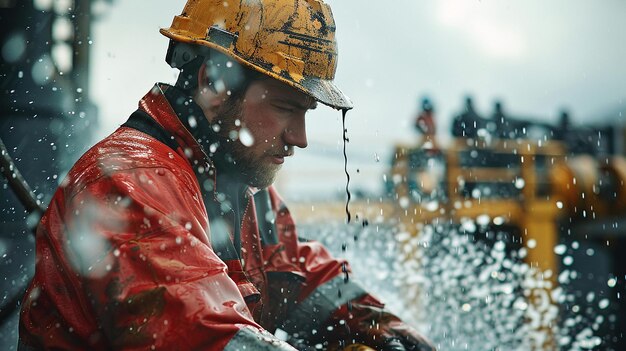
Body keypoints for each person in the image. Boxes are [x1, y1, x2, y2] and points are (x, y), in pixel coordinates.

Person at [18, 0, 435, 350]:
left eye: (306, 113)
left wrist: (380, 326)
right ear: (214, 85)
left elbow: (300, 274)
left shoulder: (239, 185)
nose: (300, 139)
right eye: (286, 109)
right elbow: (208, 337)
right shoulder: (129, 184)